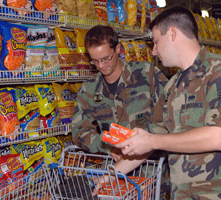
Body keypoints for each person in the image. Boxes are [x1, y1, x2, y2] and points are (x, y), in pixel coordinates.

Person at [114, 6, 221, 199]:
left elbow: (218, 137)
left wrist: (152, 141)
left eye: (155, 42)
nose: (153, 51)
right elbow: (152, 138)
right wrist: (110, 175)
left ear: (172, 33)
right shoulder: (172, 86)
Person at [71, 25, 170, 197]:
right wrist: (108, 146)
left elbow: (170, 114)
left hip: (151, 174)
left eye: (106, 59)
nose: (101, 66)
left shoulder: (147, 74)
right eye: (95, 61)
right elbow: (79, 131)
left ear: (117, 49)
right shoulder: (89, 90)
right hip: (114, 176)